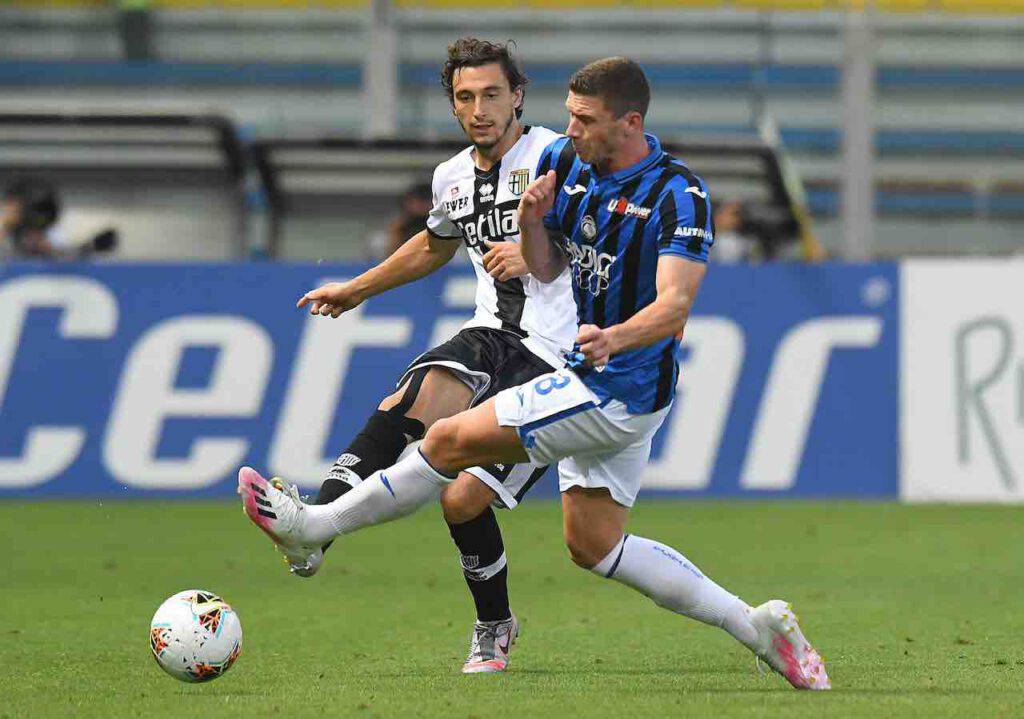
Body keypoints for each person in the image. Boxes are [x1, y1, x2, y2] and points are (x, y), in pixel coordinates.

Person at [240, 57, 830, 690]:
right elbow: (547, 270)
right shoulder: (569, 167)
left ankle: (317, 526)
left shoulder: (678, 193)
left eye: (584, 119)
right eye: (569, 115)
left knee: (446, 440)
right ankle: (758, 628)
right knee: (595, 545)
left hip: (614, 387)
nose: (568, 129)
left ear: (629, 122)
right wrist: (530, 224)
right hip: (605, 381)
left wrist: (614, 337)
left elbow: (675, 305)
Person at [246, 38, 575, 674]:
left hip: (562, 360)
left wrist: (543, 251)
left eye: (491, 94)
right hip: (493, 335)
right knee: (410, 398)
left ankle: (493, 625)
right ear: (453, 104)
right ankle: (311, 530)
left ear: (518, 96)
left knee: (461, 502)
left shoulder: (558, 156)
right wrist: (354, 290)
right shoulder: (451, 177)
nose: (479, 109)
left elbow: (599, 238)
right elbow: (434, 245)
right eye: (465, 97)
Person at [366, 181, 433, 260]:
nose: (421, 207)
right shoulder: (382, 239)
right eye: (418, 201)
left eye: (426, 201)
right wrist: (394, 236)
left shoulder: (446, 235)